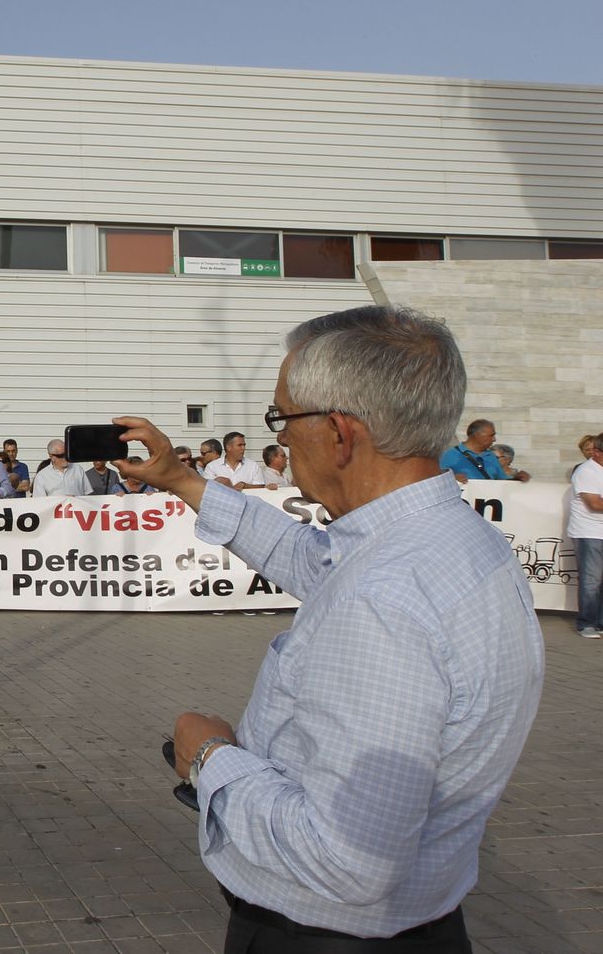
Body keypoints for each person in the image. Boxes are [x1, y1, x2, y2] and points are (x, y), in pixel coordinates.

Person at [114, 304, 542, 952]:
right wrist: (181, 480)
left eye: (283, 418)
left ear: (340, 433)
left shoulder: (383, 599)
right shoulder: (451, 540)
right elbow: (310, 559)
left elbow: (346, 862)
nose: (281, 441)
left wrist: (209, 757)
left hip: (323, 935)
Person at [567, 433, 603, 639]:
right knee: (591, 581)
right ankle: (587, 623)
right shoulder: (586, 471)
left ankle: (600, 622)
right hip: (589, 532)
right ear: (596, 452)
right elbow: (595, 504)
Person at [440, 419, 528, 482]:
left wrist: (516, 479)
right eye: (491, 435)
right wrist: (452, 480)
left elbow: (501, 481)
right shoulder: (449, 455)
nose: (494, 439)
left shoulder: (491, 457)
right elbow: (435, 480)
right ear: (477, 435)